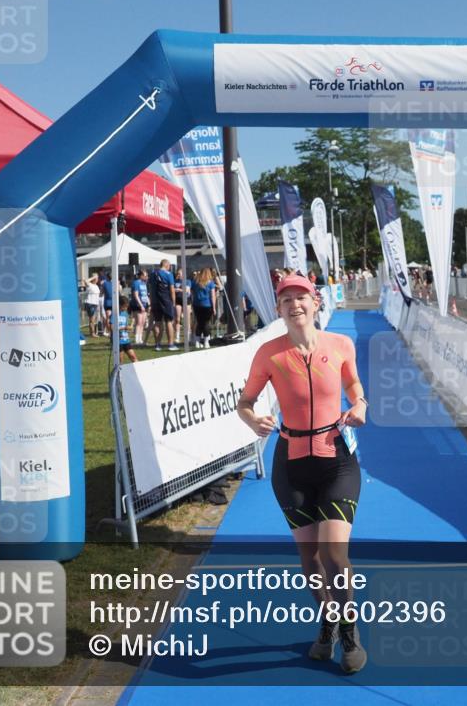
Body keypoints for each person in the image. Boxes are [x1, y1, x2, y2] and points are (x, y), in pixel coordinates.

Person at [237, 273, 368, 674]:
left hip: (336, 460)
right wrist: (252, 419)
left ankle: (349, 628)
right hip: (290, 464)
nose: (295, 305)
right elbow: (245, 402)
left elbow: (355, 386)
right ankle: (328, 619)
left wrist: (360, 404)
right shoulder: (269, 353)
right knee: (309, 557)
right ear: (278, 309)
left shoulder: (341, 345)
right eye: (286, 300)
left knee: (333, 552)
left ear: (316, 302)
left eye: (301, 298)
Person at [149, 259, 177, 351]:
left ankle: (157, 345)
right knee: (169, 321)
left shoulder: (153, 274)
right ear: (166, 265)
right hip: (166, 300)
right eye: (169, 265)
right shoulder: (169, 274)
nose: (169, 267)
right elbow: (172, 289)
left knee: (157, 322)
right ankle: (171, 344)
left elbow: (150, 287)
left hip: (155, 301)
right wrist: (173, 301)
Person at [192, 268, 217, 348]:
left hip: (197, 305)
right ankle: (206, 342)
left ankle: (197, 342)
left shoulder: (195, 282)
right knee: (206, 323)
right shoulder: (211, 283)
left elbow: (193, 292)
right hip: (207, 305)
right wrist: (214, 307)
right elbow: (212, 296)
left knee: (199, 323)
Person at [116, 297, 138, 363]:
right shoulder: (115, 314)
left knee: (133, 357)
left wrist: (130, 326)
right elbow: (112, 328)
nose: (126, 308)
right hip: (118, 341)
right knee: (120, 360)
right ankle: (120, 373)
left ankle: (139, 371)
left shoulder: (125, 314)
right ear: (119, 305)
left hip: (126, 340)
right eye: (124, 307)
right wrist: (125, 328)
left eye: (127, 307)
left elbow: (126, 326)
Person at [131, 269, 150, 345]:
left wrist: (149, 303)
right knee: (138, 322)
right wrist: (141, 305)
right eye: (145, 275)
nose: (146, 277)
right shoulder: (136, 283)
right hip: (137, 305)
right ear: (141, 276)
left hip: (145, 304)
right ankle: (136, 339)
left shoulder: (144, 283)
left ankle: (140, 339)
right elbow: (136, 295)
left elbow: (146, 295)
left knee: (143, 322)